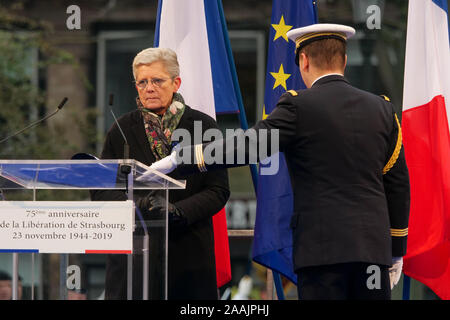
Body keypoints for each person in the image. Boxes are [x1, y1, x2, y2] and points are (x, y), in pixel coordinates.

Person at [147, 24, 410, 300]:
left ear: (303, 60)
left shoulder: (300, 107)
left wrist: (182, 157)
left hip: (323, 255)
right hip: (373, 254)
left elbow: (248, 146)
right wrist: (396, 249)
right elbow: (397, 185)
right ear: (343, 60)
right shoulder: (382, 109)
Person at [91, 47, 230, 300]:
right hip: (133, 258)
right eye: (142, 82)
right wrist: (135, 207)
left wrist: (179, 211)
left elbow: (217, 190)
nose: (149, 88)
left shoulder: (202, 126)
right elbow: (101, 190)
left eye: (157, 80)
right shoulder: (121, 129)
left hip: (188, 254)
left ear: (176, 83)